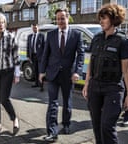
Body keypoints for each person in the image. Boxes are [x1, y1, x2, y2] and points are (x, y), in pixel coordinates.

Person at [82, 3, 128, 144]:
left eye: (104, 18)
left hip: (113, 88)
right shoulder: (96, 38)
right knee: (97, 126)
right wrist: (87, 84)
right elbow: (90, 63)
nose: (101, 21)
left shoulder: (123, 41)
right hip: (95, 87)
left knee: (107, 126)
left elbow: (127, 70)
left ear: (114, 19)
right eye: (100, 18)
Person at [39, 8, 84, 142]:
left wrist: (77, 71)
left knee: (67, 103)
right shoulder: (51, 34)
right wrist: (42, 71)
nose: (59, 21)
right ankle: (52, 131)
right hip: (52, 74)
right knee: (52, 103)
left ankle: (66, 123)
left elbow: (80, 55)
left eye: (62, 18)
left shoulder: (76, 35)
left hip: (68, 75)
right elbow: (45, 54)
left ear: (67, 18)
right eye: (58, 18)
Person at [27, 23, 45, 91]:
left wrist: (44, 57)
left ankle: (41, 86)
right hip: (33, 56)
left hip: (40, 56)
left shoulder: (42, 36)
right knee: (35, 70)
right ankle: (36, 83)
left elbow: (44, 47)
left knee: (41, 71)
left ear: (38, 28)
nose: (35, 29)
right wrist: (28, 56)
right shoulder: (30, 36)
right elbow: (28, 47)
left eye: (36, 28)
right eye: (33, 28)